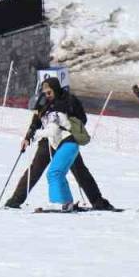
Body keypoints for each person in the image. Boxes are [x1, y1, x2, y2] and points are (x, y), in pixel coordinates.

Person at [6, 78, 115, 210]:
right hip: (48, 140)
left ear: (56, 89)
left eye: (49, 92)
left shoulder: (69, 100)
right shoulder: (43, 102)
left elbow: (82, 119)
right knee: (35, 169)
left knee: (80, 171)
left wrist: (69, 125)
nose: (47, 95)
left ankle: (99, 202)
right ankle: (15, 201)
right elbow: (35, 122)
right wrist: (28, 137)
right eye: (45, 92)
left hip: (66, 139)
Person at [29, 77, 85, 212]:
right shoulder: (48, 111)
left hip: (68, 143)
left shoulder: (54, 112)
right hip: (67, 145)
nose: (36, 112)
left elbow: (53, 131)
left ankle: (57, 202)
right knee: (59, 173)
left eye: (37, 109)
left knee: (53, 173)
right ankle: (67, 202)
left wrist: (36, 135)